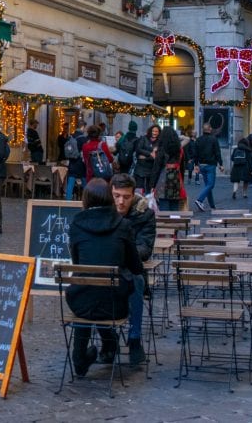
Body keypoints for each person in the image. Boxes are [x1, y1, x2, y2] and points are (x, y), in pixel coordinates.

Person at [67, 178, 144, 376]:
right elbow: (136, 267)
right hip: (114, 305)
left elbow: (77, 263)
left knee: (87, 290)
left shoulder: (76, 224)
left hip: (81, 301)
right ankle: (108, 347)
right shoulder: (123, 225)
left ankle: (80, 359)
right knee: (101, 292)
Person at [110, 173, 155, 366]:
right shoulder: (105, 211)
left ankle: (134, 338)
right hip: (107, 270)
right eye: (116, 196)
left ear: (133, 195)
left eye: (126, 197)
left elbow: (145, 248)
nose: (120, 202)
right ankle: (107, 339)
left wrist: (120, 252)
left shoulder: (144, 214)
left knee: (136, 281)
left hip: (130, 269)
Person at [193, 124, 223, 212]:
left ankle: (212, 205)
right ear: (210, 129)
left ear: (203, 129)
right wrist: (221, 164)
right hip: (210, 165)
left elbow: (195, 154)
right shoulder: (214, 139)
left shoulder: (198, 140)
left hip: (201, 165)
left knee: (208, 186)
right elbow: (217, 152)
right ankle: (199, 200)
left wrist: (196, 165)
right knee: (211, 185)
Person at [133, 125, 161, 192]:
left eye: (156, 131)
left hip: (152, 168)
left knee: (150, 189)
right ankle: (140, 201)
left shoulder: (160, 142)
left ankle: (149, 201)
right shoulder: (144, 138)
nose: (154, 133)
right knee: (139, 188)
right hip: (141, 168)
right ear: (150, 131)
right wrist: (150, 153)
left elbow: (157, 156)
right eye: (153, 131)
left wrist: (145, 157)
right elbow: (138, 149)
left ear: (159, 132)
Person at [64, 121, 87, 200]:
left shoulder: (71, 137)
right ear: (82, 127)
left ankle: (68, 199)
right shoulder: (83, 138)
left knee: (71, 181)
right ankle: (86, 198)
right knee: (84, 181)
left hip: (72, 162)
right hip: (81, 163)